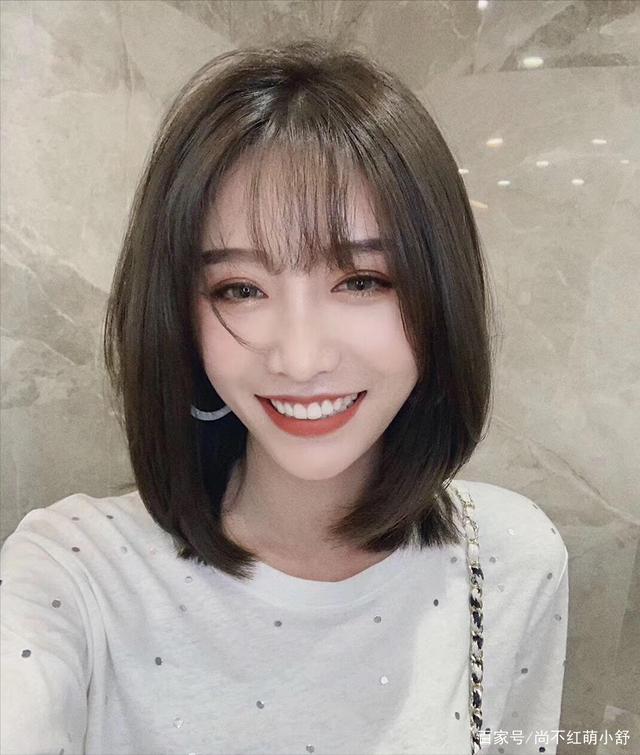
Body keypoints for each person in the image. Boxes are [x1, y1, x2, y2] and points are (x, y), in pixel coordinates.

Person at [0, 39, 568, 755]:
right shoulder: (75, 570)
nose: (300, 360)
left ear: (438, 292)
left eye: (361, 280)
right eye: (240, 289)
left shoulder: (511, 558)